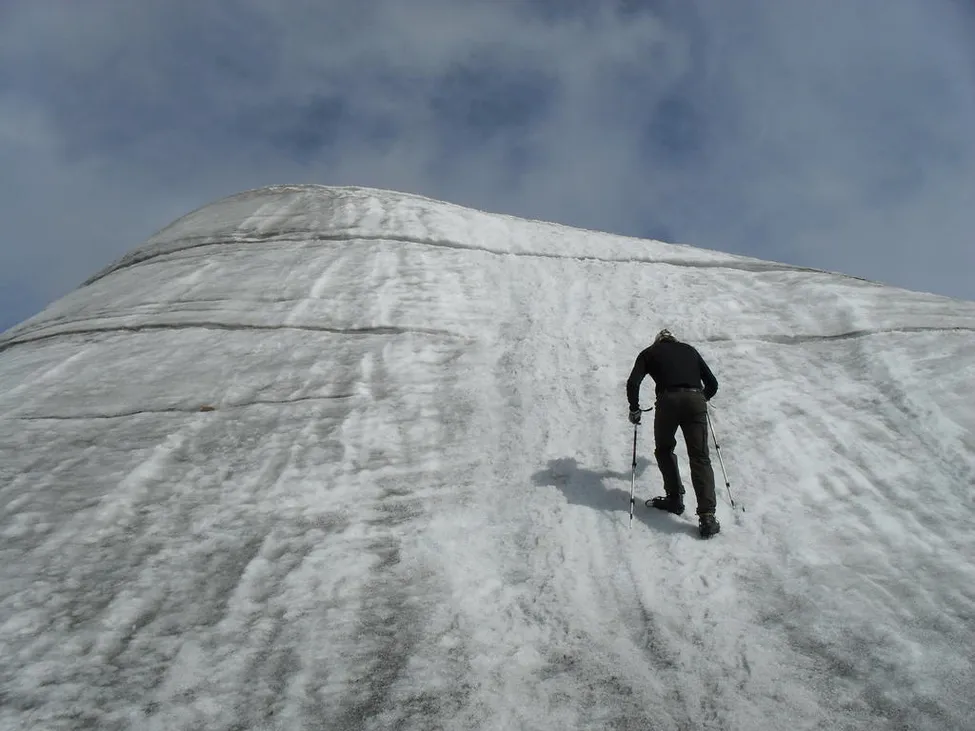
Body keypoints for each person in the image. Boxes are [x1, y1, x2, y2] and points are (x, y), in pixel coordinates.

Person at [626, 329, 721, 538]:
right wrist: (701, 399)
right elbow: (712, 384)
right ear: (674, 340)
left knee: (664, 449)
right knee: (700, 457)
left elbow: (633, 383)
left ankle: (675, 497)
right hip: (695, 400)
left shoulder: (649, 353)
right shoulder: (690, 351)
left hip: (668, 402)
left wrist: (634, 409)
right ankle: (707, 516)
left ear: (658, 341)